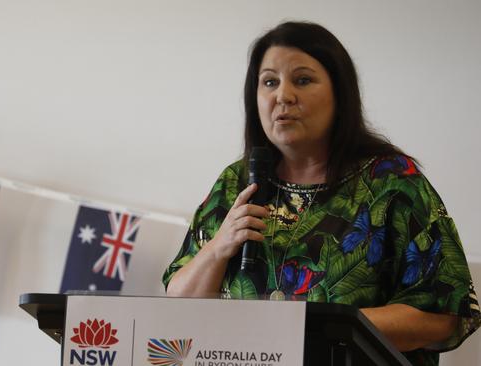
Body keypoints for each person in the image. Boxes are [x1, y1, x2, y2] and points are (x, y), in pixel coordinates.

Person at [162, 21, 480, 365]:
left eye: (302, 80)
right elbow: (178, 303)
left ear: (339, 94)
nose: (282, 96)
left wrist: (322, 329)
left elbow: (447, 313)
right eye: (269, 82)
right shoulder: (235, 183)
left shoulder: (391, 181)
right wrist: (218, 247)